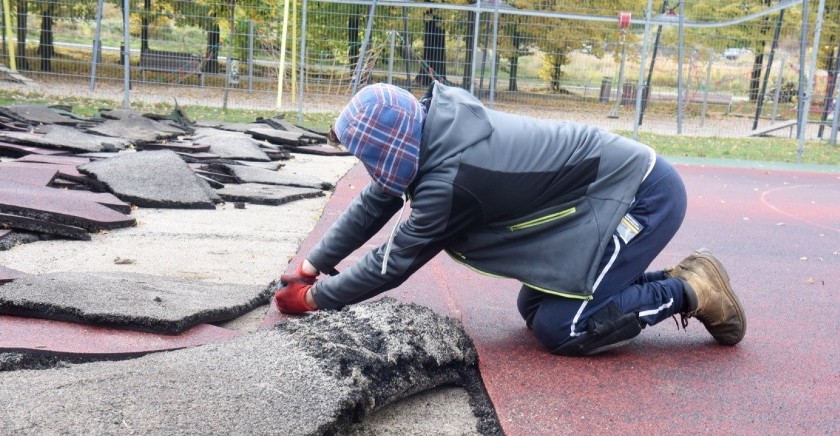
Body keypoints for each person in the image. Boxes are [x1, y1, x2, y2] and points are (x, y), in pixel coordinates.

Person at [274, 82, 746, 356]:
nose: (367, 166)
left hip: (640, 196)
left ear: (389, 148)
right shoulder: (429, 129)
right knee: (536, 309)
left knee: (564, 328)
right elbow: (375, 201)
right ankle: (668, 281)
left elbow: (393, 261)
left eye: (367, 156)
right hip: (599, 199)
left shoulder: (453, 180)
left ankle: (692, 289)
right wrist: (312, 265)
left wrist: (315, 299)